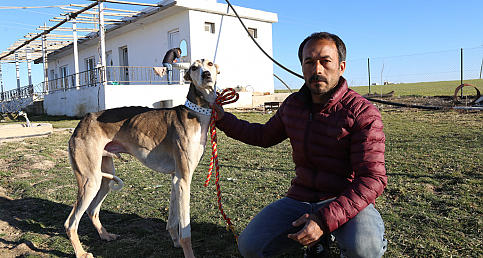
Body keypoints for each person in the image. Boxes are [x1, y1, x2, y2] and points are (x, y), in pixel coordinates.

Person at [210, 32, 388, 258]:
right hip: (300, 198)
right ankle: (318, 240)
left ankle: (340, 234)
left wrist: (323, 220)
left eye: (325, 61)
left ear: (341, 66)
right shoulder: (292, 106)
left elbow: (373, 178)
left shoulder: (362, 112)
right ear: (302, 68)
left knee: (364, 249)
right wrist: (224, 119)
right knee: (250, 247)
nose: (317, 69)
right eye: (309, 62)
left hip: (345, 197)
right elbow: (264, 135)